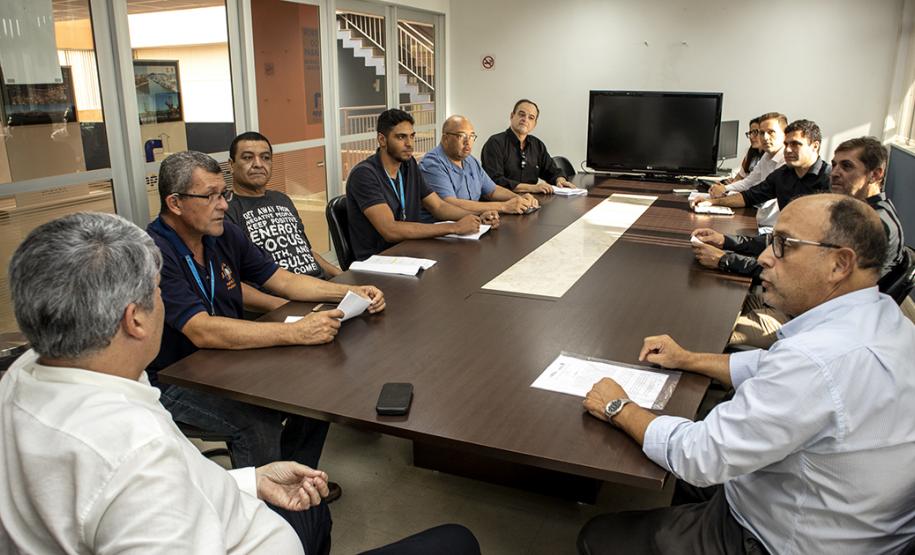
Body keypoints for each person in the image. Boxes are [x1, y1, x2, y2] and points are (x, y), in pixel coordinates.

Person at [0, 212, 481, 555]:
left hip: (238, 504)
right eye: (156, 294)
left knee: (312, 507)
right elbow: (139, 490)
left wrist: (250, 479)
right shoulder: (134, 458)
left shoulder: (21, 377)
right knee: (458, 540)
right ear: (136, 321)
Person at [578, 194, 915, 554]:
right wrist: (687, 359)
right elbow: (770, 367)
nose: (765, 257)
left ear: (839, 264)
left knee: (597, 537)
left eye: (783, 245)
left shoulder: (815, 361)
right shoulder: (884, 318)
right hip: (857, 525)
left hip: (781, 540)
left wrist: (619, 406)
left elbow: (699, 456)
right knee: (686, 475)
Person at [146, 150, 384, 492]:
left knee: (318, 389)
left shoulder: (222, 233)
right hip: (175, 378)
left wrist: (349, 290)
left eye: (223, 194)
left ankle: (294, 480)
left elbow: (280, 278)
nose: (224, 205)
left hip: (228, 357)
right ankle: (267, 510)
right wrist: (296, 332)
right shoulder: (154, 252)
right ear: (175, 202)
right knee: (256, 420)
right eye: (210, 196)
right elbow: (200, 330)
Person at [346, 109, 500, 261]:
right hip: (379, 261)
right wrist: (454, 227)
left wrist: (476, 217)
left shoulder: (408, 165)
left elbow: (438, 206)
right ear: (382, 140)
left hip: (410, 251)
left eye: (412, 137)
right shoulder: (364, 175)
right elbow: (390, 230)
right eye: (401, 137)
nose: (409, 144)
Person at [225, 131, 341, 312]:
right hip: (282, 301)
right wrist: (283, 307)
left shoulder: (281, 199)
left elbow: (306, 251)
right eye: (248, 158)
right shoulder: (225, 210)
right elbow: (232, 283)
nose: (258, 164)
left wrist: (341, 276)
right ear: (231, 165)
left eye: (265, 158)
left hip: (318, 289)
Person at [419, 115, 539, 222]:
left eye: (471, 136)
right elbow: (449, 204)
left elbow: (492, 190)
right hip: (441, 231)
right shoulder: (432, 164)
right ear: (445, 138)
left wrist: (519, 199)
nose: (468, 142)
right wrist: (504, 206)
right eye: (462, 136)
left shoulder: (470, 160)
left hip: (472, 223)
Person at [829, 136, 906, 278]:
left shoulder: (876, 221)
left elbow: (846, 278)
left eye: (846, 166)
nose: (834, 173)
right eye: (834, 165)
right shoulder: (856, 210)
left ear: (875, 175)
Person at [481, 99, 574, 194]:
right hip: (503, 201)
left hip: (531, 201)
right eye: (522, 114)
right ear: (512, 116)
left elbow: (552, 171)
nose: (525, 119)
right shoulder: (495, 143)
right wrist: (532, 188)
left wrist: (560, 180)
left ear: (534, 124)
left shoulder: (537, 145)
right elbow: (494, 181)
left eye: (531, 117)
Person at [709, 112, 787, 198]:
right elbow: (748, 182)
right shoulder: (766, 156)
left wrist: (726, 194)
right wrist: (724, 188)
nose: (765, 137)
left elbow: (766, 194)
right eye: (761, 133)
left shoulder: (786, 160)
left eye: (771, 132)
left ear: (785, 134)